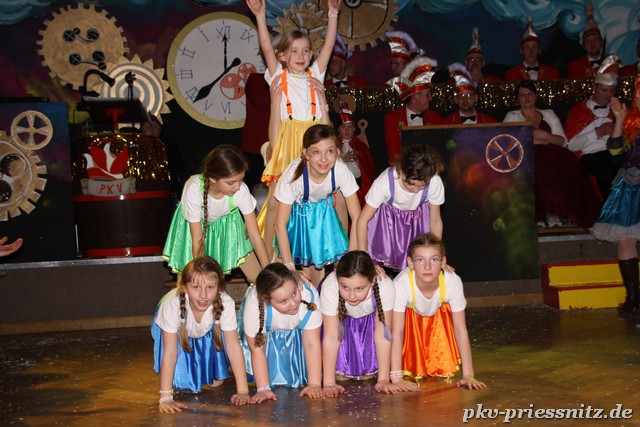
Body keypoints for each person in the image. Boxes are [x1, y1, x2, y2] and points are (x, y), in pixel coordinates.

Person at [247, 0, 341, 260]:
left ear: (311, 55)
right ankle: (270, 259)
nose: (301, 56)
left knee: (324, 201)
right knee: (276, 203)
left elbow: (329, 46)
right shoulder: (278, 76)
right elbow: (267, 47)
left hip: (314, 142)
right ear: (283, 56)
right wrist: (260, 16)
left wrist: (333, 14)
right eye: (294, 51)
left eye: (305, 51)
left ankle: (320, 253)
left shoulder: (315, 76)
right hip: (287, 142)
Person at [152, 256, 250, 413]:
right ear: (184, 287)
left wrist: (243, 391)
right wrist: (165, 398)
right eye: (196, 287)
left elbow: (233, 347)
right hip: (176, 330)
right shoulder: (172, 304)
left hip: (204, 330)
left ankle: (207, 370)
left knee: (216, 382)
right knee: (183, 384)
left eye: (210, 287)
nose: (203, 295)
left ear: (219, 288)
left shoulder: (225, 303)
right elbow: (170, 352)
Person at [390, 233, 486, 390]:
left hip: (437, 318)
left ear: (443, 262)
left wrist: (468, 375)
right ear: (410, 263)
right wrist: (396, 379)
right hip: (410, 320)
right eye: (420, 260)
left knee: (446, 308)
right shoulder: (401, 284)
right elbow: (397, 332)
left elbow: (460, 330)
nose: (427, 267)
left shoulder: (452, 281)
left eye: (434, 259)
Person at [163, 145, 269, 284]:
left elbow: (255, 236)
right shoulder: (195, 190)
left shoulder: (240, 191)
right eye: (231, 182)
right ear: (213, 178)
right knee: (193, 280)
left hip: (228, 222)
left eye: (241, 180)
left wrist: (268, 271)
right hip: (196, 228)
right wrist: (201, 274)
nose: (237, 186)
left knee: (259, 278)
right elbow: (197, 239)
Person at [504, 81, 601, 228]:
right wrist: (533, 140)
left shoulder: (548, 113)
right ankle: (540, 214)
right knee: (540, 171)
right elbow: (506, 142)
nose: (526, 98)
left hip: (553, 153)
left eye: (530, 94)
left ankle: (554, 213)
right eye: (522, 95)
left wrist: (546, 136)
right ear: (517, 98)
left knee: (570, 167)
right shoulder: (511, 116)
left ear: (536, 96)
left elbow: (563, 141)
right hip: (525, 154)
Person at [274, 124, 361, 285]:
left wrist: (352, 257)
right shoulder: (294, 175)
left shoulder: (340, 170)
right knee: (288, 276)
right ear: (305, 153)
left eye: (330, 151)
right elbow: (280, 224)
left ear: (338, 152)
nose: (323, 159)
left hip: (323, 210)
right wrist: (289, 267)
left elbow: (357, 217)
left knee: (317, 278)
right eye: (316, 152)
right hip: (297, 214)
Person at [320, 251, 409, 396]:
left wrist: (383, 380)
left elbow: (382, 335)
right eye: (345, 287)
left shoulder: (384, 285)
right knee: (339, 376)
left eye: (359, 289)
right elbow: (331, 336)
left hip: (368, 320)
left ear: (373, 281)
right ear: (338, 280)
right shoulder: (330, 286)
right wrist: (329, 383)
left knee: (368, 375)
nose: (352, 295)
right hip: (340, 319)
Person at [590, 78, 640, 315]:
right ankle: (633, 297)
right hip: (631, 184)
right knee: (625, 240)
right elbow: (616, 154)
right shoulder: (631, 120)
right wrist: (620, 119)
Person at [240, 262, 323, 403]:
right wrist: (263, 389)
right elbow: (257, 350)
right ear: (267, 301)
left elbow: (311, 344)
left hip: (298, 338)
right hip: (265, 340)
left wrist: (314, 384)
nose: (293, 303)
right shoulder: (255, 301)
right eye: (283, 301)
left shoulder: (308, 293)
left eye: (294, 293)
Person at [357, 144, 444, 272]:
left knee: (419, 259)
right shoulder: (385, 181)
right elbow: (362, 221)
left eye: (422, 186)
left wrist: (437, 256)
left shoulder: (434, 181)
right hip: (387, 222)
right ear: (400, 171)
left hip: (417, 220)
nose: (416, 191)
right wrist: (365, 259)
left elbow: (435, 221)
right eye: (412, 184)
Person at [565, 55, 625, 200]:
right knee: (608, 175)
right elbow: (571, 146)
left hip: (615, 153)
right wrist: (597, 132)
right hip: (590, 154)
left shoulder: (618, 108)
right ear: (594, 87)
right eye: (604, 90)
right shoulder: (578, 111)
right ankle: (609, 210)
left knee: (627, 171)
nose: (609, 95)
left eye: (612, 91)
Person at [384, 56, 441, 163]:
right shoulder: (392, 118)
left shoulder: (435, 117)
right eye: (428, 94)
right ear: (416, 96)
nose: (431, 98)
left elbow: (438, 150)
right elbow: (393, 153)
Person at [335, 100, 376, 206]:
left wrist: (358, 159)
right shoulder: (333, 145)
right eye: (343, 127)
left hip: (358, 184)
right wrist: (343, 160)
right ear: (339, 129)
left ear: (354, 129)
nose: (347, 130)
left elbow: (368, 168)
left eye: (350, 127)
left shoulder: (361, 145)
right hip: (339, 185)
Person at [240, 72, 270, 191]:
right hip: (255, 147)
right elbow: (261, 102)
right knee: (247, 189)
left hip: (284, 146)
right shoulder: (257, 79)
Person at [505, 17, 560, 81]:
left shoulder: (552, 72)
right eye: (527, 48)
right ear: (521, 51)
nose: (531, 51)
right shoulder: (511, 74)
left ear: (539, 50)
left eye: (534, 47)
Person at [567, 5, 605, 79]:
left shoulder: (612, 63)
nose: (592, 43)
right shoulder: (574, 66)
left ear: (602, 43)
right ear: (584, 46)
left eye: (595, 40)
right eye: (588, 41)